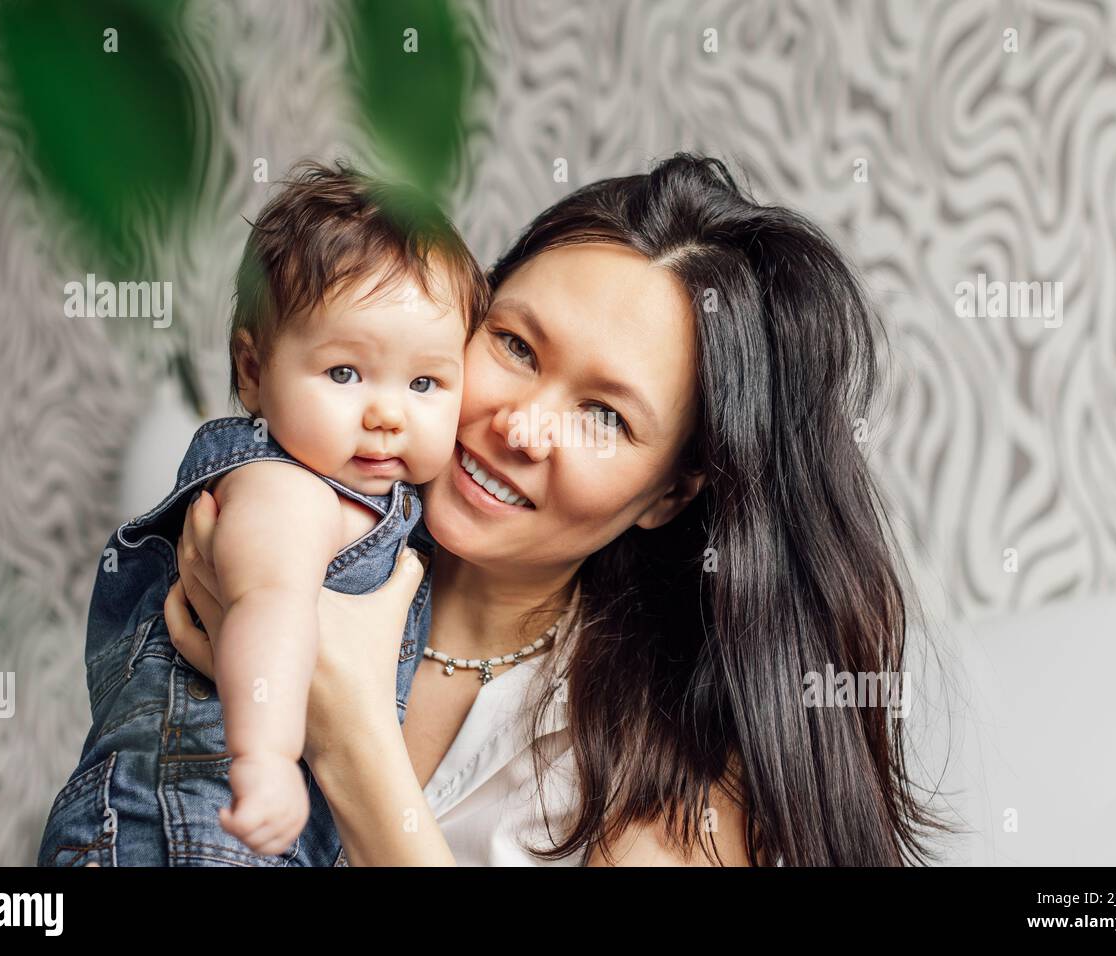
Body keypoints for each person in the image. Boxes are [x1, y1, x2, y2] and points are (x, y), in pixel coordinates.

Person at [165, 152, 957, 866]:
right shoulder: (281, 521)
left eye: (604, 417)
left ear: (670, 494)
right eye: (515, 345)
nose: (520, 427)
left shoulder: (668, 784)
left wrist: (350, 741)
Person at [36, 160, 488, 865]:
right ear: (253, 371)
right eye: (344, 373)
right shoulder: (287, 487)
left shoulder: (381, 497)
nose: (388, 414)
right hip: (186, 823)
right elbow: (267, 605)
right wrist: (266, 757)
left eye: (426, 382)